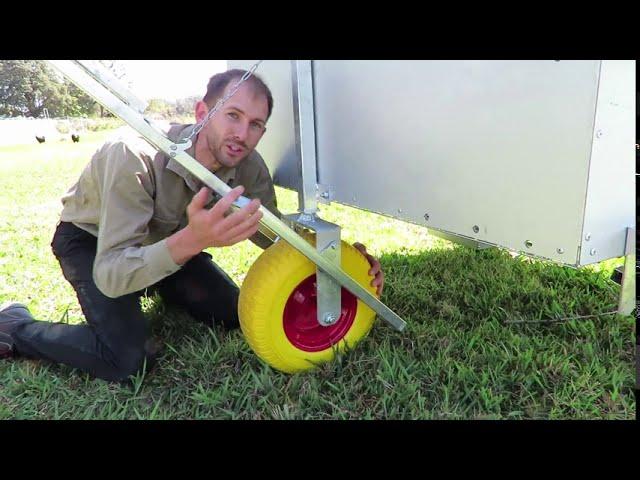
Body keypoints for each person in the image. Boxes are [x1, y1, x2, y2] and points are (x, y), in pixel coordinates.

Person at [0, 69, 384, 382]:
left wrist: (341, 261)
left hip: (173, 244)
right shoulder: (132, 155)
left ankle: (165, 287)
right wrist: (192, 240)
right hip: (94, 243)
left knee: (238, 314)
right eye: (232, 115)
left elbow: (276, 238)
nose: (242, 134)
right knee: (124, 360)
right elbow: (112, 273)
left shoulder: (249, 168)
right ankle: (15, 326)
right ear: (203, 113)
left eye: (255, 124)